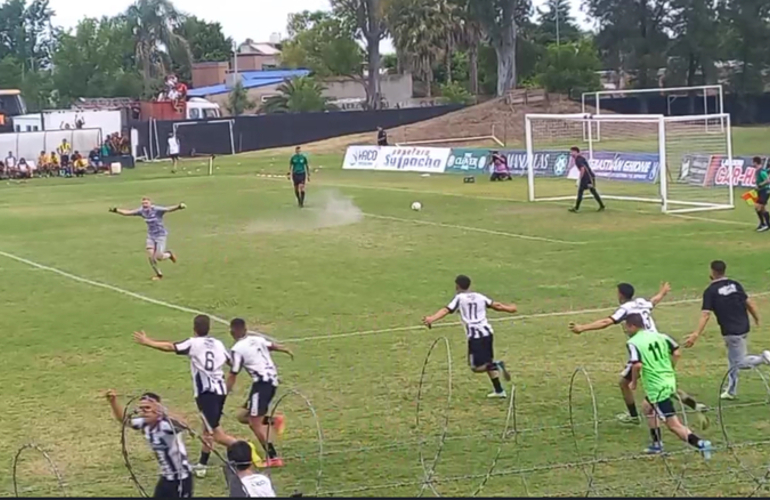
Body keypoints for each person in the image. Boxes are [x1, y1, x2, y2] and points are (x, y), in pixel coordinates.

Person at [569, 282, 708, 426]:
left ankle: (634, 416)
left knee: (625, 383)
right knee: (663, 384)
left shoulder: (625, 309)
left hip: (644, 347)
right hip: (658, 344)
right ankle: (695, 406)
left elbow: (606, 322)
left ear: (620, 295)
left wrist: (582, 328)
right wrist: (663, 292)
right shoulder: (641, 302)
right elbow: (653, 301)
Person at [133, 314, 243, 478]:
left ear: (194, 328)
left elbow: (171, 347)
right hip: (220, 392)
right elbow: (233, 364)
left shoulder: (193, 343)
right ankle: (203, 464)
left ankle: (242, 450)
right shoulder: (218, 344)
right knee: (210, 429)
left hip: (206, 394)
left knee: (214, 433)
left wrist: (148, 342)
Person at [623, 314, 712, 457]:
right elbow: (676, 353)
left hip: (656, 388)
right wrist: (670, 367)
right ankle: (657, 444)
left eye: (626, 327)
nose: (626, 330)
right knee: (647, 407)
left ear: (632, 326)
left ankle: (700, 444)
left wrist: (633, 382)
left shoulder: (633, 342)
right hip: (668, 380)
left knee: (673, 425)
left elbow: (637, 365)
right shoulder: (661, 336)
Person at [684, 260, 770, 400]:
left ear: (712, 271)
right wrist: (756, 318)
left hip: (731, 330)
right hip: (743, 326)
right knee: (732, 360)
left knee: (740, 362)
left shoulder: (710, 291)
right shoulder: (735, 285)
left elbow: (705, 315)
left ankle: (764, 358)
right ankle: (731, 390)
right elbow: (748, 303)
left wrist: (696, 334)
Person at [422, 275, 517, 398]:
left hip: (475, 336)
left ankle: (497, 365)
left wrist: (431, 319)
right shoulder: (479, 296)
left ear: (457, 286)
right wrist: (510, 309)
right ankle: (499, 390)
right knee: (487, 362)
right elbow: (496, 305)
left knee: (475, 367)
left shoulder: (459, 298)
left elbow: (446, 310)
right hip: (487, 333)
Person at [227, 318, 294, 468]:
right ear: (246, 329)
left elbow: (233, 372)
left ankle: (273, 457)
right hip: (270, 382)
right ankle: (274, 420)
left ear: (232, 332)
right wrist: (285, 349)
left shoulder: (237, 349)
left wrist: (226, 391)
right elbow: (271, 346)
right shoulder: (256, 339)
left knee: (254, 423)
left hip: (262, 385)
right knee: (242, 416)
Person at [106, 390, 194, 498]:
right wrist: (113, 402)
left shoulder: (166, 425)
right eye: (141, 409)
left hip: (181, 479)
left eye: (147, 408)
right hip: (166, 477)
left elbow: (184, 425)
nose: (144, 412)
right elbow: (124, 420)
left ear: (157, 409)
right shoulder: (145, 424)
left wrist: (164, 411)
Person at [109, 197, 185, 280]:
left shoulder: (157, 209)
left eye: (146, 203)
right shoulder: (141, 211)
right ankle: (159, 274)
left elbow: (168, 209)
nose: (144, 205)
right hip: (151, 236)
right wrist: (116, 210)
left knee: (159, 257)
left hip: (160, 235)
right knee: (151, 256)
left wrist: (178, 207)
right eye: (143, 203)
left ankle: (169, 254)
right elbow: (128, 213)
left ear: (150, 203)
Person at [568, 146, 605, 213]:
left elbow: (583, 169)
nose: (571, 153)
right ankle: (601, 206)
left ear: (576, 152)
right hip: (588, 177)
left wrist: (579, 179)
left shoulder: (578, 159)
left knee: (587, 191)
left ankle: (576, 208)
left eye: (572, 152)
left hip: (588, 178)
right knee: (588, 191)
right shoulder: (580, 158)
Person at [753, 156, 770, 232]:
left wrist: (760, 185)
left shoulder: (761, 171)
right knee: (758, 207)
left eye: (753, 162)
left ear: (755, 162)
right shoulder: (757, 171)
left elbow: (768, 180)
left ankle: (767, 225)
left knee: (759, 207)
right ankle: (763, 224)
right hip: (760, 190)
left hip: (765, 190)